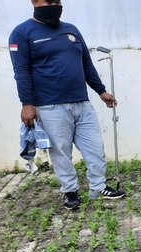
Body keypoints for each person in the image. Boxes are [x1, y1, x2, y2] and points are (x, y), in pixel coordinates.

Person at [9, 0, 126, 210]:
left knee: (95, 148)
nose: (54, 4)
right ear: (34, 1)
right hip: (50, 106)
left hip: (82, 103)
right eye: (48, 0)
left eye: (57, 1)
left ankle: (98, 188)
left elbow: (86, 63)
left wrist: (101, 91)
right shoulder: (22, 33)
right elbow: (22, 71)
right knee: (61, 152)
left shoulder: (71, 30)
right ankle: (69, 192)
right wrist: (27, 103)